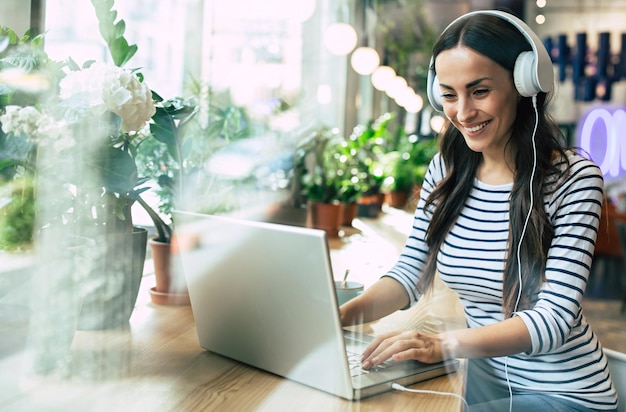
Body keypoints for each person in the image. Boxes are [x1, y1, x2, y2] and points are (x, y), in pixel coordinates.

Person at [339, 9, 618, 412]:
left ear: (525, 84)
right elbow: (409, 274)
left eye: (480, 90)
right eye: (449, 95)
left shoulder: (574, 178)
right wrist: (341, 317)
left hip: (564, 395)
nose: (463, 113)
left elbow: (555, 319)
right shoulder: (446, 171)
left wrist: (443, 345)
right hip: (485, 386)